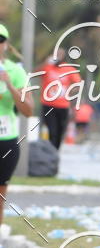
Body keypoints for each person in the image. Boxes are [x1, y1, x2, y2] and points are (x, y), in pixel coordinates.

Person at [0, 24, 34, 227]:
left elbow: (28, 110)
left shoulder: (16, 71)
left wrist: (10, 85)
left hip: (5, 141)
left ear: (6, 44)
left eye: (0, 40)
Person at [38, 48, 82, 149]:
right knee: (52, 131)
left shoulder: (69, 69)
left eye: (60, 54)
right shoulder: (47, 67)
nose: (58, 56)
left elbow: (78, 84)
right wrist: (45, 63)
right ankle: (52, 151)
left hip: (63, 106)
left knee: (60, 131)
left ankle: (55, 151)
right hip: (48, 105)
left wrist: (70, 91)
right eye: (56, 54)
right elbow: (34, 72)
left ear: (63, 57)